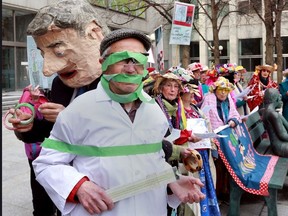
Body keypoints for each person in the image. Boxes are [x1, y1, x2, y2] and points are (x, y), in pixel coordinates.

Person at [32, 28, 205, 216]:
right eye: (122, 59)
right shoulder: (79, 110)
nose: (130, 68)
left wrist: (172, 184)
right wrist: (79, 187)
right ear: (103, 63)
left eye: (138, 60)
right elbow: (47, 163)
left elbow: (154, 161)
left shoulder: (154, 112)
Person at [6, 1, 109, 215]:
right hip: (64, 180)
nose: (47, 70)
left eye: (59, 52)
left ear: (94, 34)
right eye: (44, 55)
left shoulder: (122, 84)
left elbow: (126, 135)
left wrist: (70, 117)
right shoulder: (60, 83)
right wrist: (27, 127)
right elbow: (53, 134)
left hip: (104, 189)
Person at [180, 82, 220, 216]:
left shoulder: (196, 109)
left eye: (193, 92)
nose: (192, 94)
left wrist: (212, 144)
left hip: (203, 153)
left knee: (206, 184)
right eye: (189, 91)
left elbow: (207, 126)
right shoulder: (178, 110)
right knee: (194, 184)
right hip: (190, 155)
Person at [201, 76, 241, 199]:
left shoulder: (228, 99)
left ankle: (226, 191)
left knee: (228, 163)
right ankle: (217, 193)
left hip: (227, 137)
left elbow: (235, 114)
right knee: (218, 166)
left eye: (226, 90)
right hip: (214, 138)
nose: (224, 92)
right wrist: (211, 135)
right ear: (216, 89)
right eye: (221, 89)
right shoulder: (208, 99)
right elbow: (204, 118)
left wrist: (233, 120)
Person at [262, 88, 288, 157]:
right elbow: (283, 136)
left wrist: (279, 116)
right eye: (280, 99)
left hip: (277, 145)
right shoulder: (273, 114)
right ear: (277, 99)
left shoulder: (269, 112)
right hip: (280, 147)